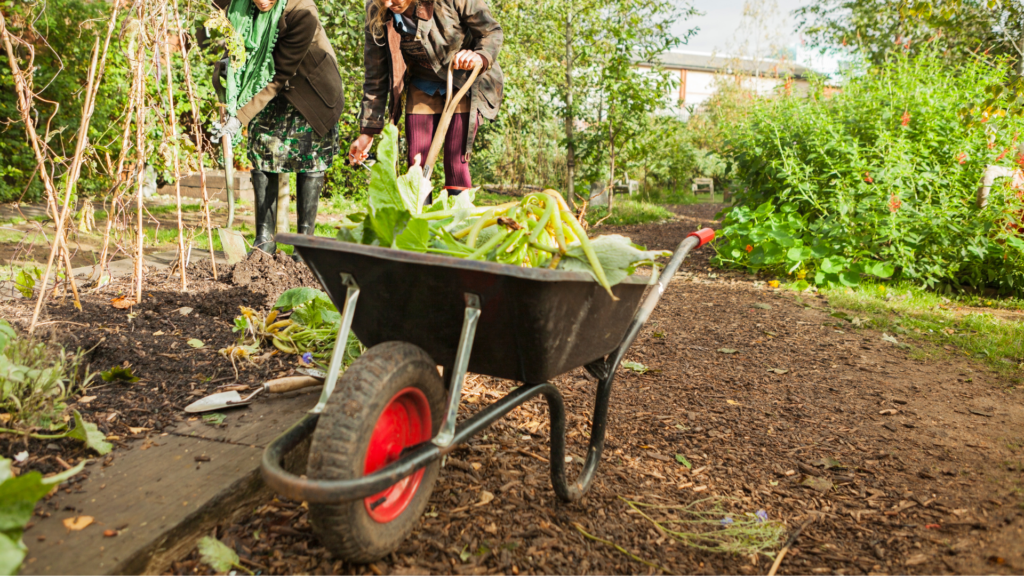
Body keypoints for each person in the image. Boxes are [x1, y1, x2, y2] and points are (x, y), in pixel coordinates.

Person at [211, 0, 343, 254]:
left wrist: (239, 118)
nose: (262, 1)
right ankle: (264, 238)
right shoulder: (240, 6)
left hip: (310, 93)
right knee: (262, 153)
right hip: (264, 90)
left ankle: (305, 244)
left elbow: (279, 74)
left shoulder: (303, 12)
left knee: (309, 160)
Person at [348, 0, 503, 196]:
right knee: (416, 166)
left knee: (455, 164)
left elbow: (491, 31)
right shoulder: (377, 8)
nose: (387, 3)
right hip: (422, 80)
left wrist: (480, 56)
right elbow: (376, 74)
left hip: (462, 78)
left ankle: (458, 215)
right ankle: (419, 215)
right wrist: (368, 131)